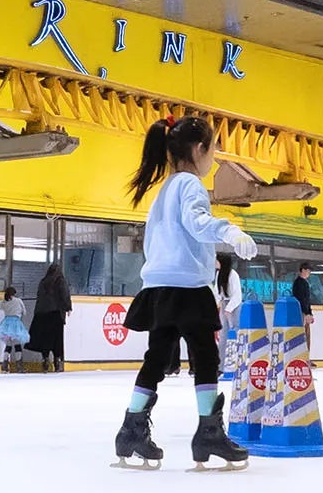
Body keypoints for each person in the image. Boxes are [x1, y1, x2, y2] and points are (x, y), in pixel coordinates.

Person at [110, 116, 258, 470]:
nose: (215, 157)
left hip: (159, 287)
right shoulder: (190, 185)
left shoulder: (163, 190)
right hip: (187, 287)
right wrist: (231, 231)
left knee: (156, 360)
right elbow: (197, 223)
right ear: (199, 149)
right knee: (206, 358)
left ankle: (130, 429)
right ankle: (208, 431)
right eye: (214, 148)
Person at [30, 263, 72, 373]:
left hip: (42, 314)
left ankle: (45, 359)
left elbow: (39, 296)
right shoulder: (60, 280)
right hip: (56, 313)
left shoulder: (43, 281)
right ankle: (57, 361)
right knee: (57, 339)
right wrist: (68, 307)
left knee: (45, 338)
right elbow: (65, 294)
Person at [0, 286, 29, 372]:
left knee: (8, 345)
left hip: (6, 324)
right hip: (16, 324)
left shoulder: (4, 302)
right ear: (14, 293)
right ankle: (19, 366)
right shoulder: (18, 301)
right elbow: (24, 312)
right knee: (17, 345)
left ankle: (5, 365)